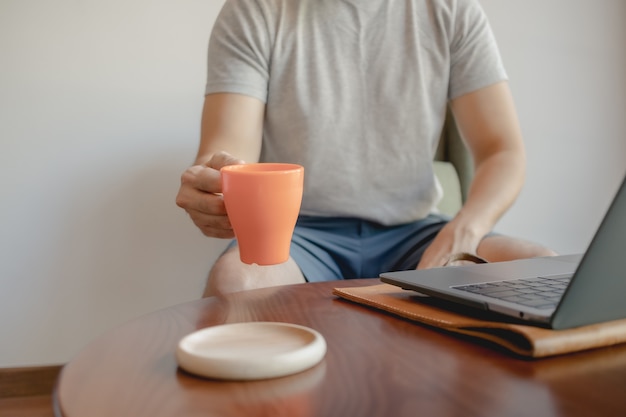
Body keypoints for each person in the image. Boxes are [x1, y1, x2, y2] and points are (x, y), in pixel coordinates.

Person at [176, 0, 556, 297]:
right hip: (297, 233)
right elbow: (227, 152)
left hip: (415, 232)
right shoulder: (255, 11)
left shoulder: (451, 10)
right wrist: (211, 185)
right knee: (235, 283)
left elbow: (503, 150)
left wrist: (462, 234)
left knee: (543, 268)